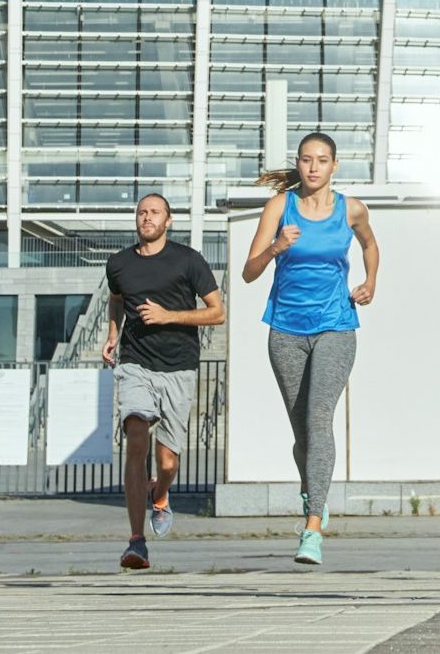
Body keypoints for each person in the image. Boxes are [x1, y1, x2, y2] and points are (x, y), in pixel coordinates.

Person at [241, 131, 381, 566]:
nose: (314, 167)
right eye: (306, 159)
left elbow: (371, 244)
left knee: (319, 418)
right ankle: (313, 487)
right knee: (302, 429)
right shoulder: (278, 207)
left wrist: (370, 281)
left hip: (335, 326)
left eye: (322, 160)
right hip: (285, 330)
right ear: (298, 164)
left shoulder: (351, 209)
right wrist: (277, 247)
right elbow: (249, 271)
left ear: (334, 165)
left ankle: (313, 525)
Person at [101, 193, 225, 571]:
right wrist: (111, 334)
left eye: (154, 212)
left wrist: (168, 315)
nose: (146, 217)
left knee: (167, 460)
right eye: (141, 212)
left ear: (168, 221)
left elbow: (217, 313)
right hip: (136, 363)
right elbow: (117, 300)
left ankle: (161, 494)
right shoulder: (119, 263)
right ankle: (136, 542)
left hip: (178, 366)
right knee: (136, 438)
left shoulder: (188, 260)